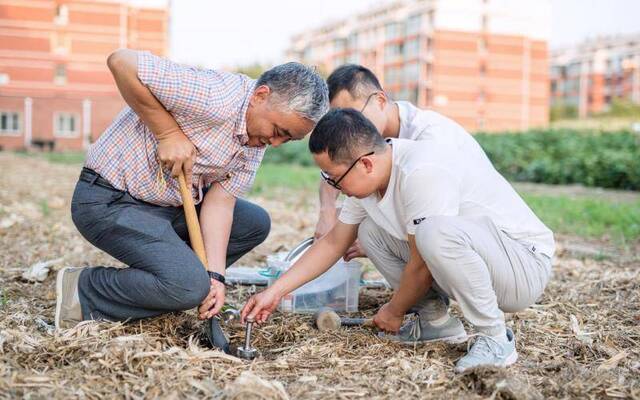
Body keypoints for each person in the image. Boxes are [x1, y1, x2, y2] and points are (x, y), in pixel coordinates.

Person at [241, 108, 554, 372]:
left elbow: (421, 265)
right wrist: (277, 291)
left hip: (522, 266)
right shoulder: (368, 181)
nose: (333, 186)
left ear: (364, 163)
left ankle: (496, 339)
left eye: (334, 178)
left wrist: (393, 309)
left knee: (434, 233)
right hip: (480, 260)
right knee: (370, 233)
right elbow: (333, 242)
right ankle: (434, 322)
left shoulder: (422, 170)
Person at [55, 49, 329, 330]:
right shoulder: (215, 95)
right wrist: (167, 133)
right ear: (260, 96)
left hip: (162, 208)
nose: (275, 143)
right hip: (109, 200)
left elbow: (220, 203)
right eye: (279, 131)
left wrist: (216, 277)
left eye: (288, 139)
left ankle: (172, 285)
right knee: (188, 286)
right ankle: (84, 289)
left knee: (253, 223)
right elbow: (121, 62)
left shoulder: (255, 138)